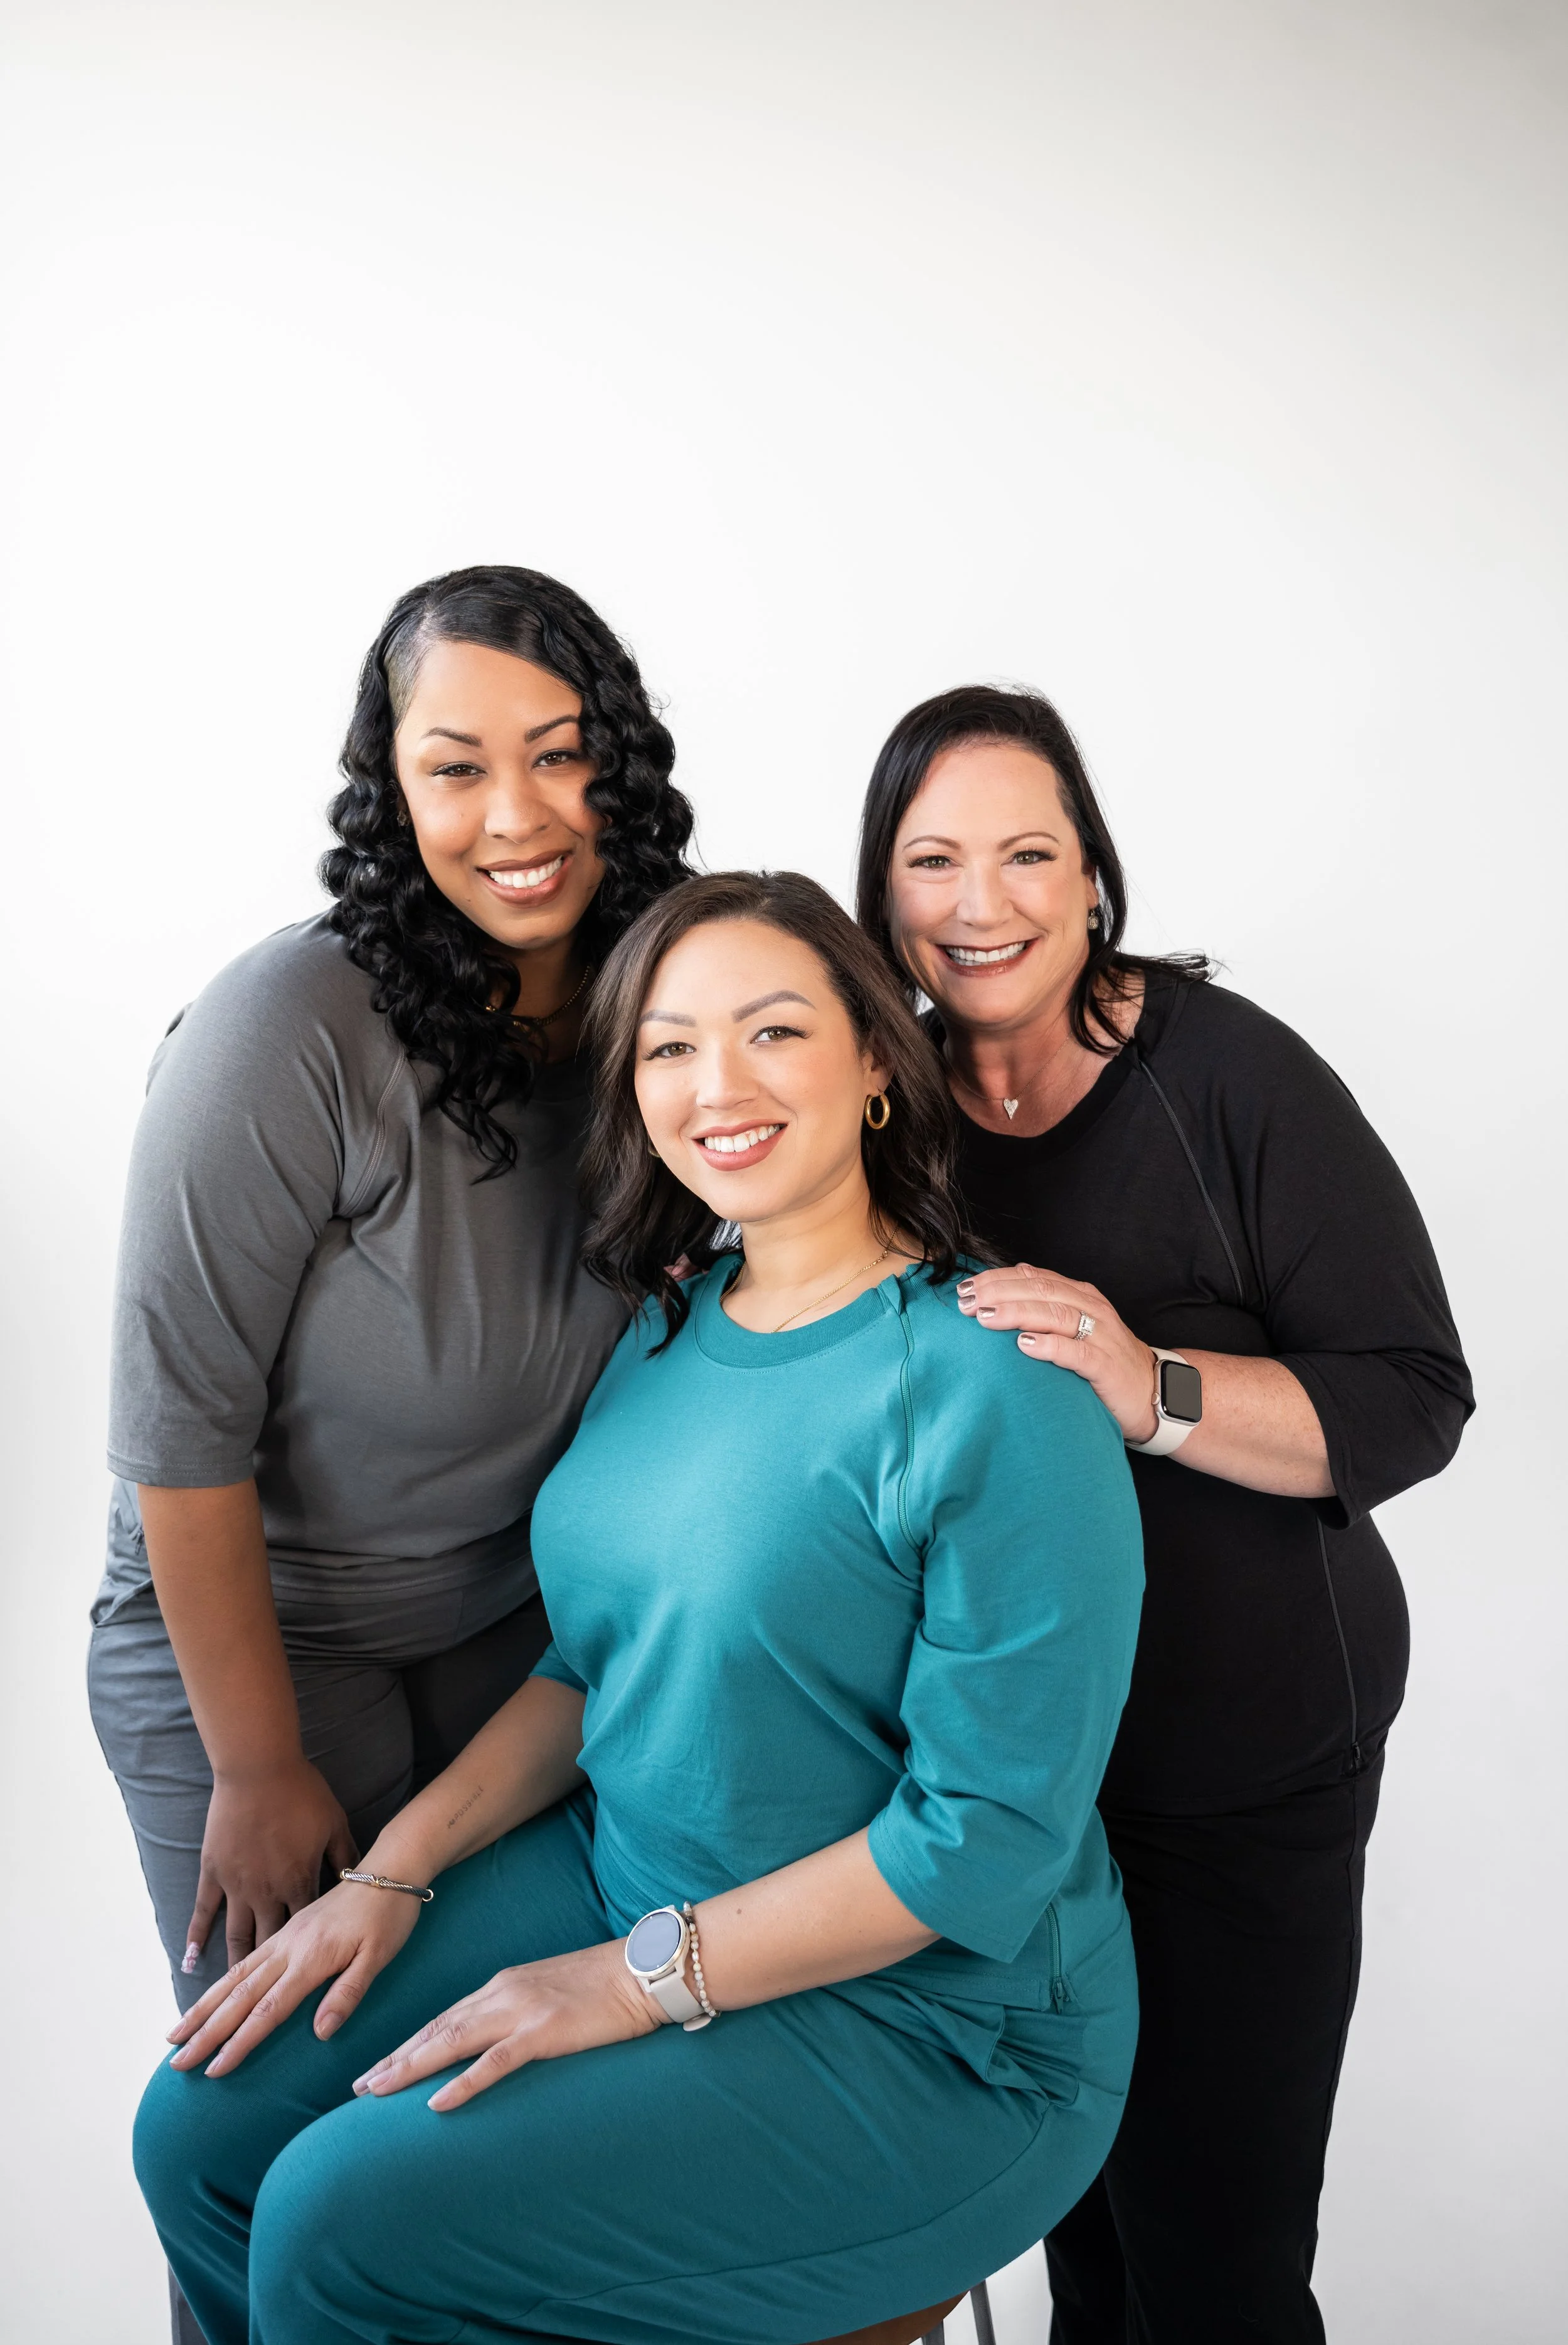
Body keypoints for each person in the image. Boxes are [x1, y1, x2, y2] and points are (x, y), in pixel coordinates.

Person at [132, 870, 1145, 2345]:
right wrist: (386, 1878)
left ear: (876, 1063)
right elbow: (587, 1663)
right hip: (633, 1879)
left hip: (936, 2027)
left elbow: (979, 1851)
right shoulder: (671, 1326)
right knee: (202, 2142)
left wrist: (625, 1986)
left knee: (340, 2225)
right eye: (668, 1046)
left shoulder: (993, 1385)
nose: (713, 1084)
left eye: (773, 1032)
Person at [90, 565, 693, 2335]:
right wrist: (260, 1770)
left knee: (481, 2123)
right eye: (454, 767)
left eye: (559, 756)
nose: (514, 819)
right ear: (389, 788)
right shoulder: (292, 1026)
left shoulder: (655, 1007)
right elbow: (176, 1443)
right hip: (260, 1648)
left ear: (620, 770)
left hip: (511, 1634)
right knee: (268, 2127)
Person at [856, 686, 1473, 2345]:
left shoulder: (1228, 1082)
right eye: (933, 861)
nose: (979, 903)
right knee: (1086, 2244)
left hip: (1245, 1756)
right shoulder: (880, 1109)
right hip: (1027, 1778)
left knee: (1210, 2265)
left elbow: (1413, 1393)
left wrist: (1152, 1387)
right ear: (881, 896)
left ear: (1092, 879)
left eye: (1024, 853)